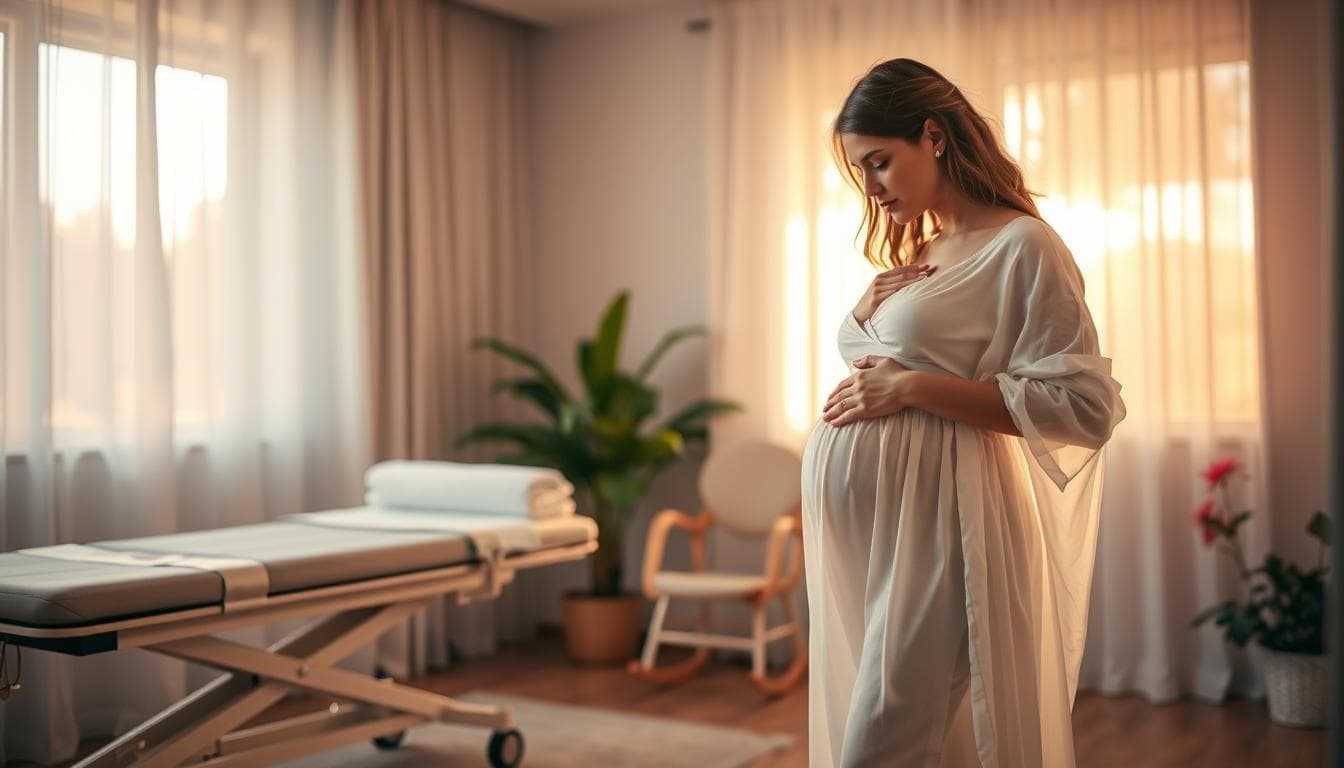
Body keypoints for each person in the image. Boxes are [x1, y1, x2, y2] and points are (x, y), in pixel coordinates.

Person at [800, 58, 1126, 768]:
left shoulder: (1024, 246)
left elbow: (1085, 406)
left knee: (882, 742)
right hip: (878, 534)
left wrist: (911, 387)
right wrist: (868, 313)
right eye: (861, 172)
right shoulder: (925, 252)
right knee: (916, 738)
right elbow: (885, 364)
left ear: (933, 136)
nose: (872, 187)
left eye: (880, 162)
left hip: (943, 523)